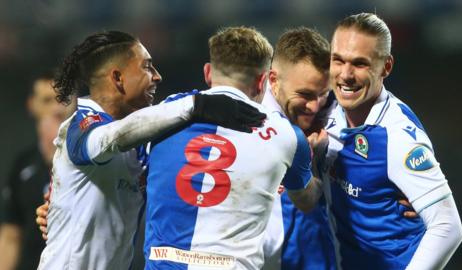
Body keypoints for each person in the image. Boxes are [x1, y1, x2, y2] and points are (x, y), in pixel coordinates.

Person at [37, 30, 267, 270]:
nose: (158, 76)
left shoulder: (140, 144)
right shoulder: (80, 125)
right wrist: (195, 105)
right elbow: (108, 140)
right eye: (147, 67)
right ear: (118, 78)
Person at [143, 26, 323, 270]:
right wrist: (316, 161)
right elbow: (306, 200)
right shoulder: (286, 135)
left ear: (208, 73)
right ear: (262, 81)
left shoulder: (167, 111)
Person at [320, 13, 462, 269]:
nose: (346, 74)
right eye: (338, 60)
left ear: (385, 67)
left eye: (360, 63)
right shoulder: (325, 108)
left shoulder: (397, 137)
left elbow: (448, 226)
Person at [261, 27, 337, 270]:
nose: (314, 106)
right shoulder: (245, 122)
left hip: (321, 258)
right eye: (304, 94)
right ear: (274, 80)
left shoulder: (338, 112)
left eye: (322, 94)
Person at [0, 73, 75, 270]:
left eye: (63, 99)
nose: (57, 108)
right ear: (32, 105)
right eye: (47, 100)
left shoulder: (94, 160)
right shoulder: (23, 166)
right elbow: (10, 236)